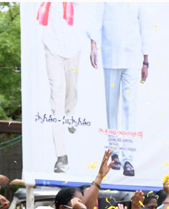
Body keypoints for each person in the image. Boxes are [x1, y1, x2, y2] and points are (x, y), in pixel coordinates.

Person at [87, 3, 148, 178]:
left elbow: (145, 28)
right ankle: (115, 152)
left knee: (130, 108)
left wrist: (146, 60)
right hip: (111, 57)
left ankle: (128, 158)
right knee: (112, 106)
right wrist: (93, 45)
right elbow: (95, 18)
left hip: (132, 59)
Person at [37, 1, 84, 175]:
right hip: (52, 47)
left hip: (73, 48)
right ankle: (61, 156)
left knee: (72, 91)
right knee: (56, 99)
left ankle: (70, 115)